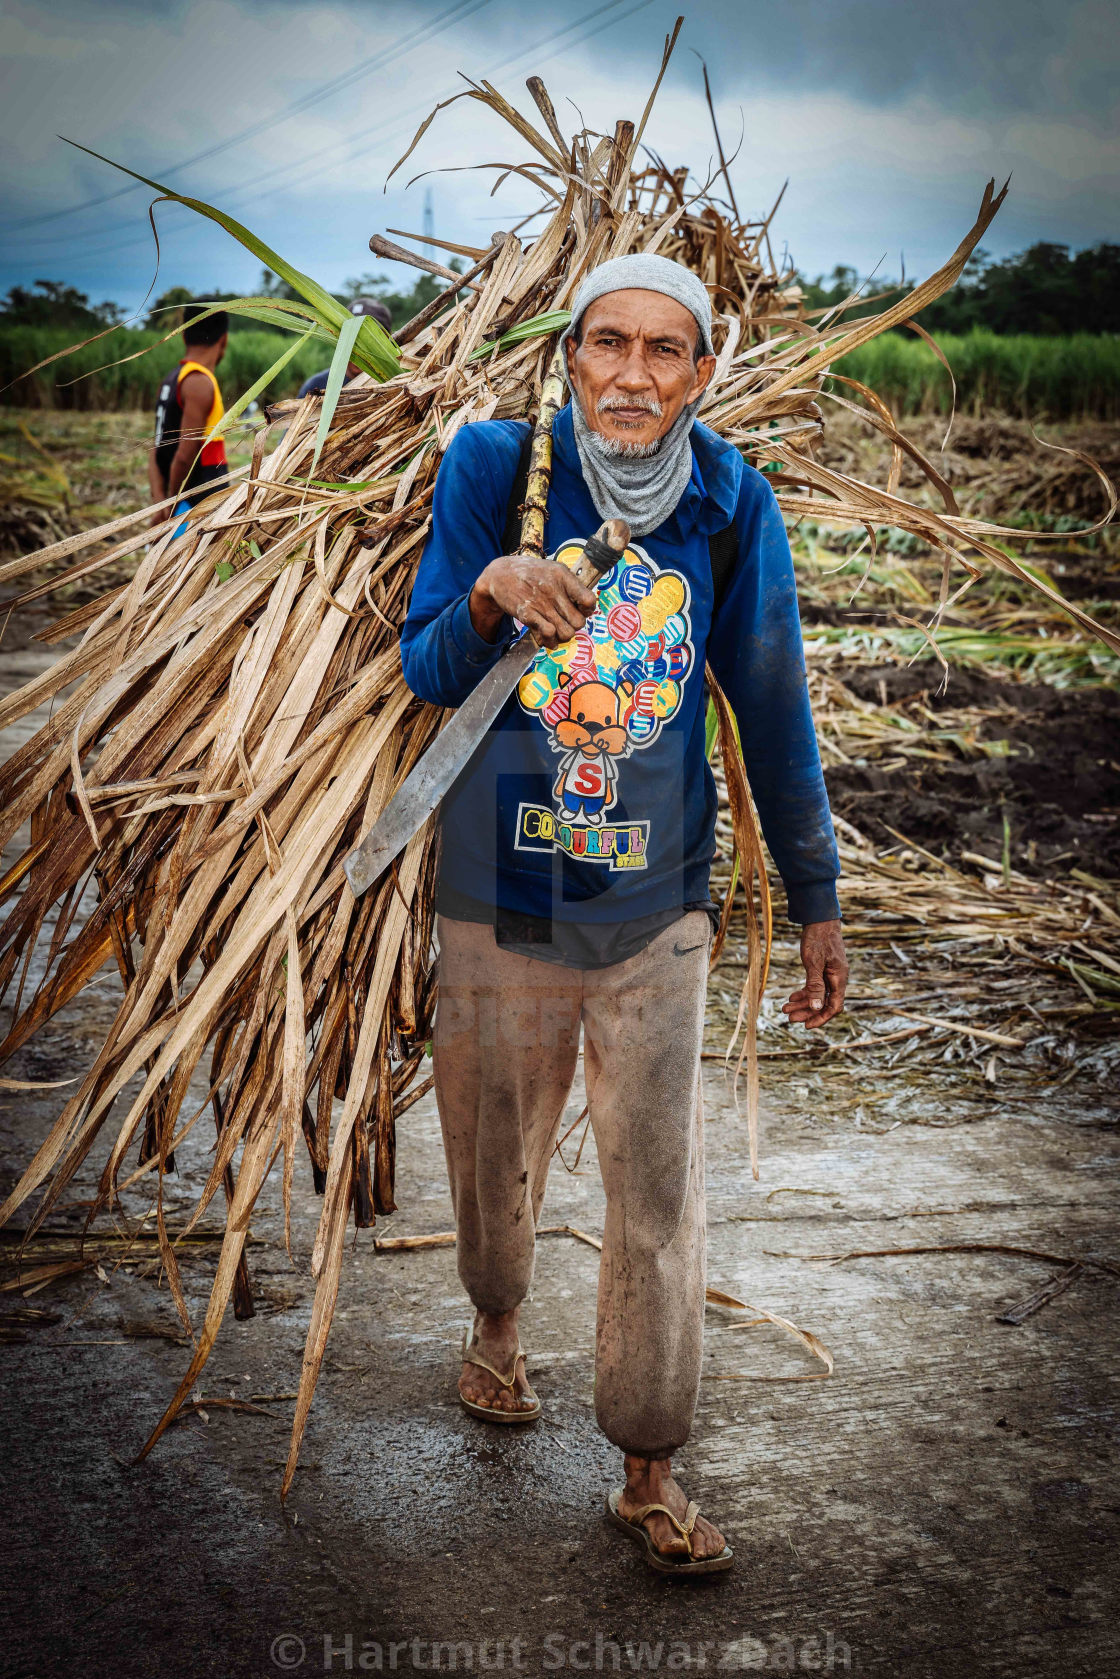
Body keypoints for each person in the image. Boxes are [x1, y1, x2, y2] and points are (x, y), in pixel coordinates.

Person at [399, 253, 849, 1576]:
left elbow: (773, 701)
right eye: (610, 343)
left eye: (667, 351)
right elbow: (428, 659)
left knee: (657, 1188)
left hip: (659, 906)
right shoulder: (496, 465)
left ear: (703, 373)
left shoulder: (728, 500)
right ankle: (495, 1326)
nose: (635, 375)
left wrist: (817, 899)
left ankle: (649, 1466)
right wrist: (492, 590)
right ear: (573, 354)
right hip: (497, 891)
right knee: (495, 1155)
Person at [149, 305, 229, 529]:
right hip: (196, 505)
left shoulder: (171, 380)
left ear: (183, 336)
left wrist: (159, 502)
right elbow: (185, 455)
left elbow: (154, 447)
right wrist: (172, 505)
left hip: (173, 503)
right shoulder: (199, 382)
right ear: (224, 340)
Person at [297, 296, 392, 396]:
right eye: (352, 335)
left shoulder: (396, 386)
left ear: (387, 340)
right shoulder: (316, 387)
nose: (359, 345)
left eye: (369, 338)